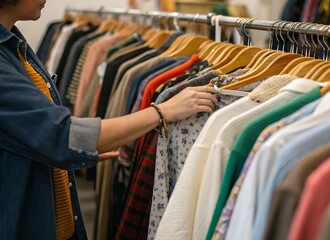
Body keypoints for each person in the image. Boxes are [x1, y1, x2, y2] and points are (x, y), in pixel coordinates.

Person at [0, 0, 219, 239]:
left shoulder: (13, 43)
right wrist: (162, 112)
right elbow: (61, 133)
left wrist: (82, 148)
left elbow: (31, 130)